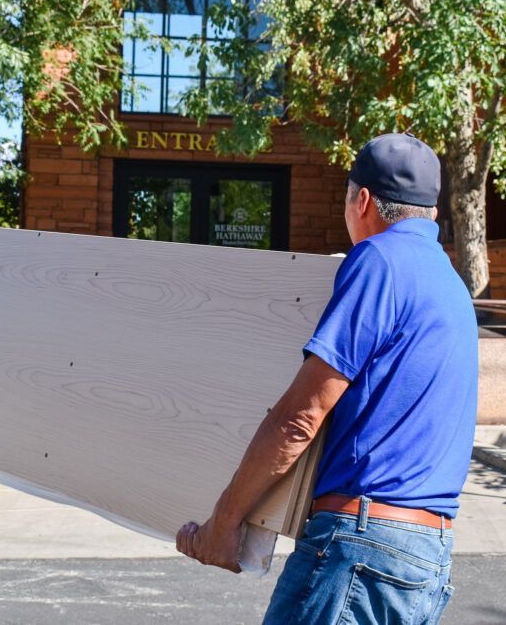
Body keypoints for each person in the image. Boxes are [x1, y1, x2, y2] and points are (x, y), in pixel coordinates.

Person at [176, 133, 477, 624]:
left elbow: (300, 418)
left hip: (362, 551)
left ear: (361, 201)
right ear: (433, 214)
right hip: (427, 557)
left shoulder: (378, 261)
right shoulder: (450, 284)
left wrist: (224, 522)